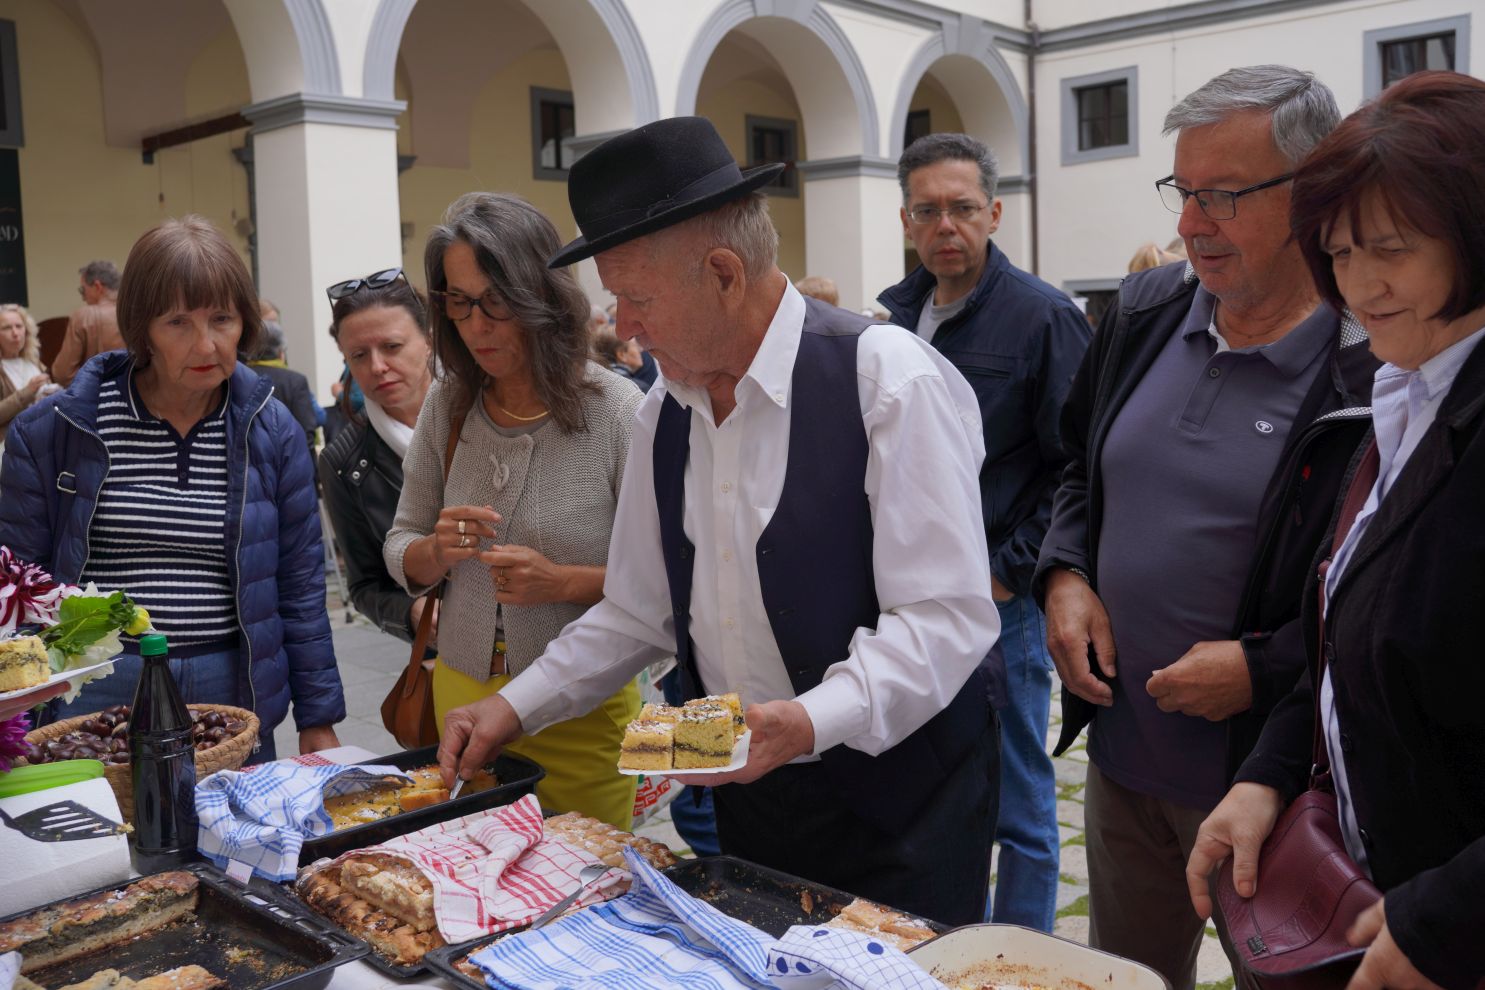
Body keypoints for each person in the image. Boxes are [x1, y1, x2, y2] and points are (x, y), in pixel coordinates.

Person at [438, 117, 1002, 925]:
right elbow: (640, 609)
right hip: (754, 796)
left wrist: (806, 721)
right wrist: (513, 706)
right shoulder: (664, 413)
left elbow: (944, 620)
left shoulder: (887, 381)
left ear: (723, 273)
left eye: (635, 298)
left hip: (902, 804)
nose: (622, 327)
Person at [1032, 66, 1378, 988]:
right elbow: (1076, 468)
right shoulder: (1141, 315)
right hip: (1119, 768)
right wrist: (1064, 576)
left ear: (1310, 194)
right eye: (1182, 193)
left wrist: (1261, 668)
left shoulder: (1371, 371)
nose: (1189, 224)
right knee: (1123, 976)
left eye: (1221, 196)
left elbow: (1386, 596)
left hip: (1273, 792)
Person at [1187, 70, 1485, 990]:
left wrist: (1443, 922)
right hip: (1371, 901)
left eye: (1389, 249)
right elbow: (1343, 633)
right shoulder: (1401, 393)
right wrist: (1267, 776)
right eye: (1340, 252)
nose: (1360, 284)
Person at [0, 216, 344, 762]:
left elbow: (299, 586)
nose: (206, 343)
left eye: (223, 318)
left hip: (232, 689)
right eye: (177, 322)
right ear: (143, 328)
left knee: (231, 844)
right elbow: (17, 585)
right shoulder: (58, 430)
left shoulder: (270, 429)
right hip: (100, 689)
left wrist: (319, 718)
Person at [879, 133, 1089, 931]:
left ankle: (1024, 961)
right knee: (931, 787)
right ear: (905, 219)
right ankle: (948, 945)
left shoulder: (1041, 318)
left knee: (1023, 806)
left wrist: (1008, 574)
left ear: (993, 212)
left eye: (962, 209)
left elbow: (1077, 469)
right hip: (912, 599)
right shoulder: (898, 317)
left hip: (1002, 607)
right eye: (927, 210)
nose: (946, 226)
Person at [383, 193, 644, 830]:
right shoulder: (449, 403)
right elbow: (400, 544)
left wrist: (564, 583)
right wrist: (435, 551)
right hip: (462, 699)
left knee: (587, 892)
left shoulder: (616, 411)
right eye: (458, 301)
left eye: (495, 301)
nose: (476, 325)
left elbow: (663, 584)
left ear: (542, 295)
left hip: (582, 711)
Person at [319, 270, 435, 642]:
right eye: (358, 355)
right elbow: (366, 584)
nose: (377, 366)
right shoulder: (343, 463)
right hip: (449, 650)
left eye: (392, 346)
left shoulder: (491, 411)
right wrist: (410, 613)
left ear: (429, 340)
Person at [245, 319, 319, 450]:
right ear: (281, 352)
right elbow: (307, 432)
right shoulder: (295, 381)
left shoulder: (241, 378)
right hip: (290, 462)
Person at [51, 260, 124, 387]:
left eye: (83, 290)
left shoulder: (83, 316)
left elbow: (62, 374)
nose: (83, 297)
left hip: (100, 399)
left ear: (97, 286)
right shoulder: (140, 311)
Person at [0, 304, 52, 436]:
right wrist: (28, 391)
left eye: (19, 326)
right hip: (11, 447)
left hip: (43, 437)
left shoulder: (34, 361)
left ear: (27, 330)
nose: (15, 333)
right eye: (6, 328)